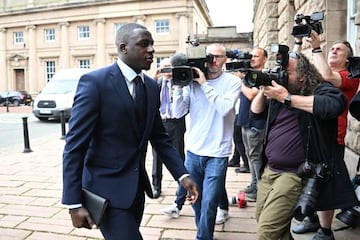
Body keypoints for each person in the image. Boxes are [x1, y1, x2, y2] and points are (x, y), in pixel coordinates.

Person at [61, 22, 199, 240]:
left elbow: (160, 137)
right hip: (104, 193)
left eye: (152, 44)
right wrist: (73, 202)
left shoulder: (151, 87)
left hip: (136, 192)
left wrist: (182, 175)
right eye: (144, 44)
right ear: (123, 48)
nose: (152, 50)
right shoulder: (95, 83)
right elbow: (74, 147)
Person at [252, 51, 349, 239]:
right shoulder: (280, 93)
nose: (282, 75)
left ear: (303, 75)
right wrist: (263, 86)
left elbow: (335, 104)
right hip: (270, 170)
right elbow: (256, 113)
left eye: (287, 72)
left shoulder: (318, 90)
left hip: (294, 174)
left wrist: (288, 98)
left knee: (267, 232)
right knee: (265, 221)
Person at [292, 32, 360, 239]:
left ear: (347, 60)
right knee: (310, 179)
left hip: (332, 137)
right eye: (332, 48)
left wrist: (316, 48)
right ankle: (312, 219)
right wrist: (298, 43)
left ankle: (326, 230)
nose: (333, 50)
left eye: (339, 50)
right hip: (310, 134)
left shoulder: (349, 77)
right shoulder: (319, 72)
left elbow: (328, 77)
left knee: (325, 183)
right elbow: (295, 67)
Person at [172, 43, 241, 240]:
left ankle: (203, 237)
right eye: (209, 56)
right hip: (193, 151)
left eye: (218, 57)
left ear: (225, 59)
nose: (213, 61)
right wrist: (178, 87)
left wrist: (204, 84)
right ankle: (203, 233)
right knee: (196, 199)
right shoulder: (191, 83)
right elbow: (177, 112)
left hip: (217, 153)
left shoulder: (232, 82)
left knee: (210, 201)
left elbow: (224, 108)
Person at [150, 58, 186, 199]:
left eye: (169, 67)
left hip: (175, 123)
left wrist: (175, 78)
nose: (166, 70)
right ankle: (156, 186)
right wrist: (155, 75)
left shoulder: (179, 82)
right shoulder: (157, 83)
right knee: (156, 157)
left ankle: (181, 185)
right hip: (160, 122)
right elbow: (145, 90)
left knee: (178, 154)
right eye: (164, 67)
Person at [237, 47, 268, 202]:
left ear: (265, 59)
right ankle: (254, 183)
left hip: (257, 123)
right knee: (250, 155)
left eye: (257, 56)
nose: (253, 58)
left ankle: (260, 189)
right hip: (245, 121)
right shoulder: (248, 75)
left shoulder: (264, 76)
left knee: (256, 156)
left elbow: (251, 94)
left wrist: (239, 81)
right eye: (252, 56)